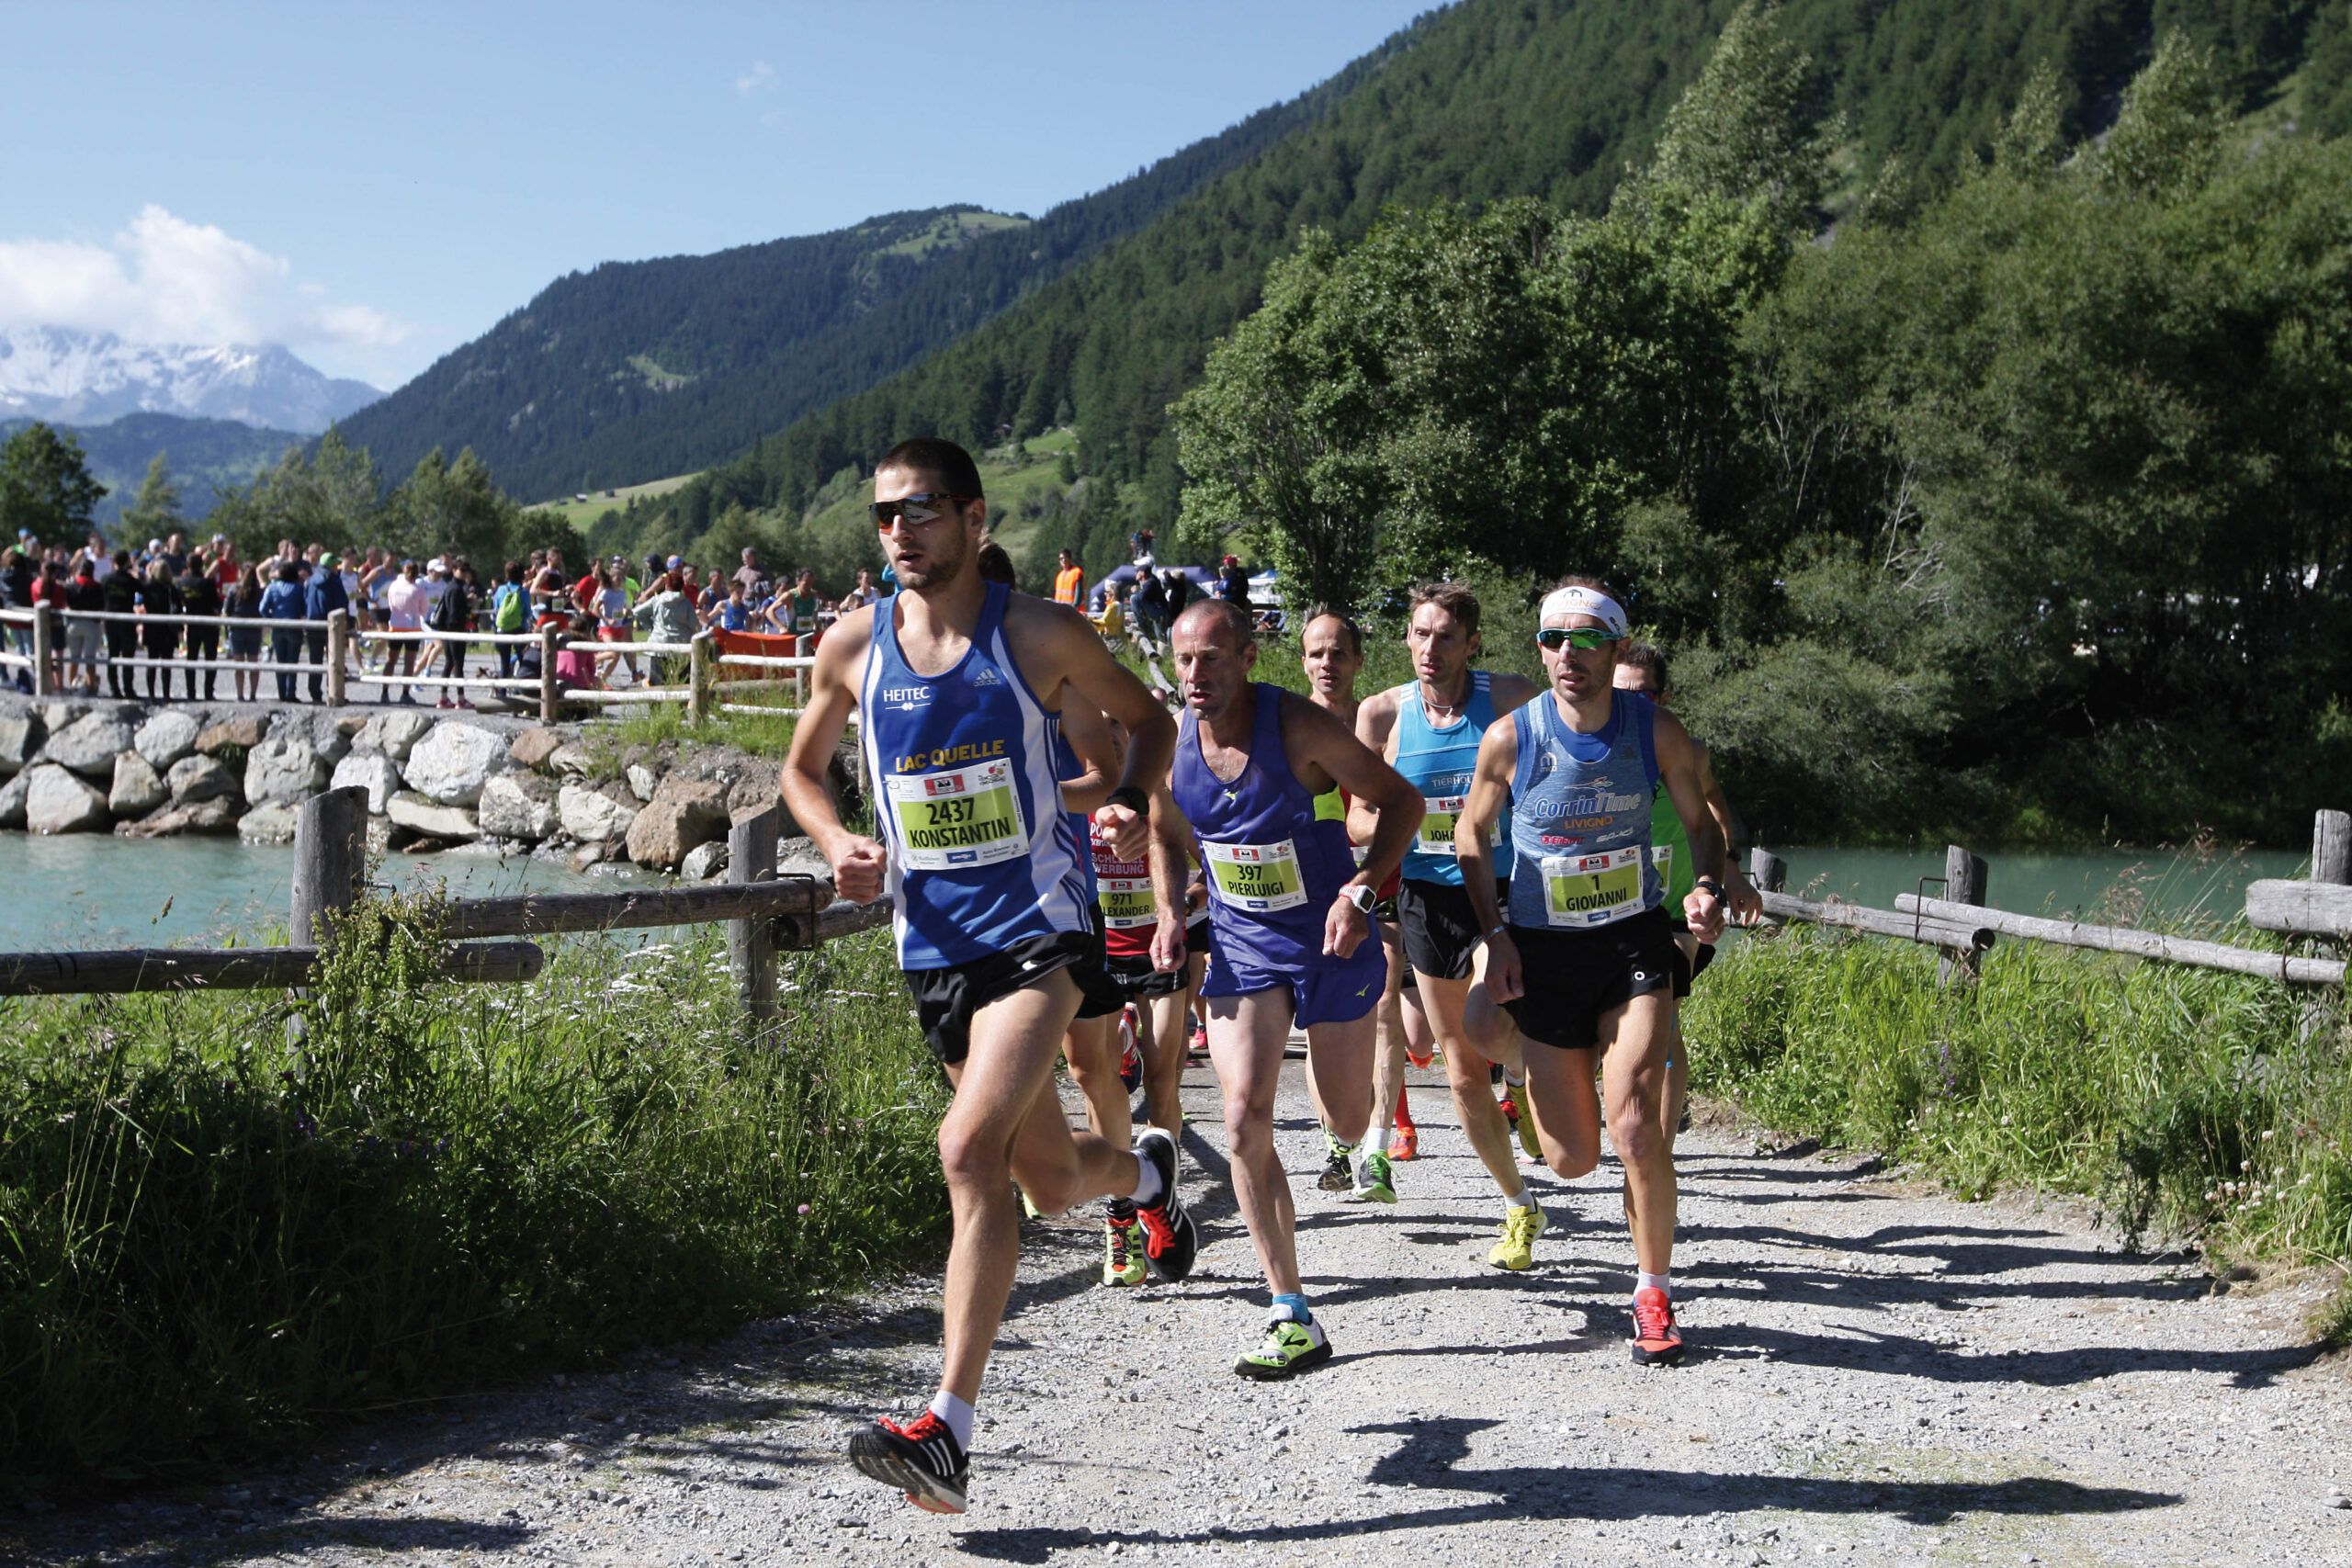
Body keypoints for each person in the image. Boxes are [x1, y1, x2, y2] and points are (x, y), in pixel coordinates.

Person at [781, 437, 1190, 1517]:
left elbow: (1149, 721)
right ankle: (1146, 1180)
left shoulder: (1041, 634)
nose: (899, 532)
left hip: (1039, 934)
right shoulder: (852, 646)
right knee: (1047, 1180)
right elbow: (799, 770)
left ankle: (946, 1431)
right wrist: (834, 840)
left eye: (919, 510)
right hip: (932, 947)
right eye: (883, 516)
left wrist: (1127, 800)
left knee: (967, 1151)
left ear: (973, 519)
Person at [1455, 580, 1728, 1367]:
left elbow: (1704, 822)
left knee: (1637, 1125)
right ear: (1540, 650)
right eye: (1553, 639)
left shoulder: (1655, 729)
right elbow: (1471, 834)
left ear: (1617, 648)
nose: (1567, 653)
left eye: (1586, 639)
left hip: (1633, 943)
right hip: (1543, 950)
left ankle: (1653, 1292)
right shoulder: (1510, 737)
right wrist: (1495, 933)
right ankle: (1520, 1061)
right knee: (1572, 1157)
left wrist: (1707, 886)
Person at [1162, 596, 1422, 1378]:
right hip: (1242, 945)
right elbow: (1167, 828)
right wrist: (1173, 907)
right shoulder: (1173, 739)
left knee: (1346, 1117)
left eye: (1212, 658)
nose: (1196, 675)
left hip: (1331, 938)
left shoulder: (1299, 727)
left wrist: (1362, 890)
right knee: (1243, 1116)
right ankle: (1290, 1309)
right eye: (1184, 660)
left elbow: (1403, 802)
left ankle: (1348, 1112)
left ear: (1247, 658)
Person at [1351, 583, 1549, 1266]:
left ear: (1472, 643)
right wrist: (1402, 819)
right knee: (1461, 1074)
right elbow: (1356, 816)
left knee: (1488, 1025)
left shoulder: (1512, 696)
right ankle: (1520, 1204)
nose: (1429, 648)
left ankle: (1519, 1073)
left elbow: (1555, 768)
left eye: (1444, 636)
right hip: (1427, 900)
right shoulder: (1382, 714)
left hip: (1504, 890)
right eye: (1419, 634)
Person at [1611, 641, 1764, 1142]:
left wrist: (1729, 873)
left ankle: (1661, 1147)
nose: (1631, 703)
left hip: (1677, 908)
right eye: (1620, 692)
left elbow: (1715, 804)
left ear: (1663, 697)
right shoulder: (1591, 750)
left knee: (1665, 1013)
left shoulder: (1687, 752)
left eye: (1643, 694)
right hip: (1613, 906)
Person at [1295, 606, 1417, 1198]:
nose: (1328, 663)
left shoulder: (1380, 727)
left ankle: (1375, 1149)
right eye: (1316, 653)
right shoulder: (1285, 732)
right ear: (1303, 662)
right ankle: (1337, 1147)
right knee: (1319, 1021)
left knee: (1386, 1007)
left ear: (1358, 661)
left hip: (1380, 886)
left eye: (1339, 652)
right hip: (1313, 898)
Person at [303, 552, 349, 705]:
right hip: (332, 625)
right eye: (336, 564)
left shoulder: (310, 581)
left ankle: (315, 693)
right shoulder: (334, 581)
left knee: (314, 659)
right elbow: (342, 603)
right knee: (335, 659)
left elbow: (305, 600)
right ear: (332, 566)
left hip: (312, 624)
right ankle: (334, 692)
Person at [382, 559, 429, 705]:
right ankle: (405, 692)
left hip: (395, 626)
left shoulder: (394, 586)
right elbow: (424, 610)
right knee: (409, 662)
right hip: (412, 627)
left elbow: (390, 604)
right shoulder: (418, 589)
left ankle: (385, 691)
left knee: (391, 660)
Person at [176, 552, 221, 701]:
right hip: (209, 624)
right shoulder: (207, 583)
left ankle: (191, 692)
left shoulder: (183, 583)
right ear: (202, 566)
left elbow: (179, 602)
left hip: (192, 624)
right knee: (210, 658)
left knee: (192, 658)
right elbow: (217, 603)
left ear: (188, 566)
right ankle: (208, 692)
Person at [261, 560, 307, 703]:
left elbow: (262, 608)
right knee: (292, 661)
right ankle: (290, 692)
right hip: (294, 626)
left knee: (280, 661)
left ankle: (281, 693)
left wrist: (270, 618)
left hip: (277, 626)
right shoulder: (299, 589)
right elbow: (304, 608)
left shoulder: (272, 588)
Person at [138, 558, 182, 701]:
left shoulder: (148, 587)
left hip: (152, 628)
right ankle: (166, 694)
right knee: (166, 664)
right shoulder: (171, 589)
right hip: (168, 629)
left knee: (152, 662)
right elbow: (178, 608)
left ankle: (151, 694)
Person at [98, 551, 140, 698]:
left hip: (111, 620)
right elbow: (142, 589)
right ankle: (128, 688)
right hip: (127, 621)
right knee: (128, 656)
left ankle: (114, 688)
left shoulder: (106, 579)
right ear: (127, 562)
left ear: (114, 561)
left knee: (113, 654)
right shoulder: (130, 580)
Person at [61, 557, 104, 694]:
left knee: (74, 657)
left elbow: (66, 603)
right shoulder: (97, 587)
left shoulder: (70, 586)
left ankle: (71, 684)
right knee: (90, 657)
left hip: (74, 623)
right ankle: (90, 686)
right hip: (91, 623)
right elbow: (101, 605)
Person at [225, 564, 265, 700]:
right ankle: (253, 695)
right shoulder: (259, 591)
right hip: (254, 630)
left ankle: (240, 694)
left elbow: (227, 610)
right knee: (253, 663)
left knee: (239, 665)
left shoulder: (233, 589)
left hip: (237, 630)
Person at [1131, 568, 1170, 649]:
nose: (1136, 574)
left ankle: (1141, 624)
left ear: (1143, 573)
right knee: (1161, 639)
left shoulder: (1150, 582)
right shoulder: (1151, 581)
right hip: (1159, 612)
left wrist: (1136, 591)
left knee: (1134, 598)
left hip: (1159, 612)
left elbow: (1141, 597)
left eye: (1138, 571)